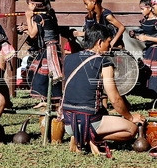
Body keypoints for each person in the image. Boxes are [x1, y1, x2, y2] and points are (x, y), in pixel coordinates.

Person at [61, 24, 143, 156]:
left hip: (68, 122)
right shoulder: (104, 63)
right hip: (89, 121)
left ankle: (78, 136)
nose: (110, 46)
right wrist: (130, 117)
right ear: (99, 42)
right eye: (108, 42)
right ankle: (89, 137)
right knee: (131, 129)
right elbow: (115, 99)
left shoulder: (69, 59)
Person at [26, 0, 63, 105]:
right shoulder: (49, 14)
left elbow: (32, 34)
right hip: (52, 47)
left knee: (43, 76)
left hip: (49, 49)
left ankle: (48, 100)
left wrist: (28, 17)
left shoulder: (39, 17)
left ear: (33, 5)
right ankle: (47, 100)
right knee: (46, 75)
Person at [133, 0, 157, 98]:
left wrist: (147, 38)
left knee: (154, 74)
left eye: (142, 9)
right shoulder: (145, 21)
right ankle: (147, 94)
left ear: (149, 8)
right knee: (145, 71)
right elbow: (142, 33)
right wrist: (135, 35)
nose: (141, 11)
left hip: (156, 50)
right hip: (148, 50)